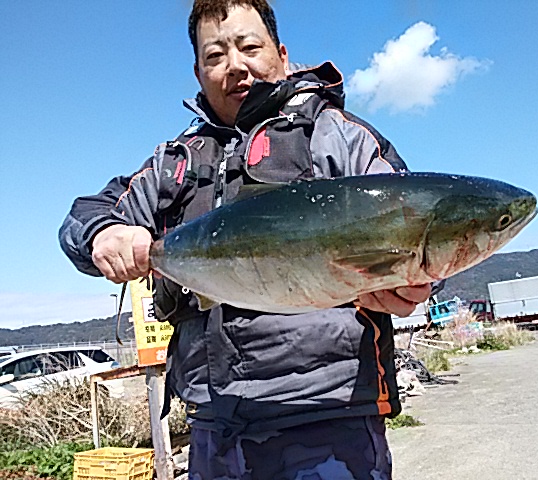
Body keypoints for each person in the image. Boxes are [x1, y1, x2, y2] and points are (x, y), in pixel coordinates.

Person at [59, 1, 432, 478]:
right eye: (215, 56)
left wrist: (417, 285)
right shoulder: (176, 162)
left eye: (249, 47)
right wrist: (103, 234)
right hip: (213, 426)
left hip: (328, 421)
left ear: (280, 52)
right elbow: (85, 216)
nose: (235, 66)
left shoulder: (339, 138)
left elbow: (417, 230)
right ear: (197, 72)